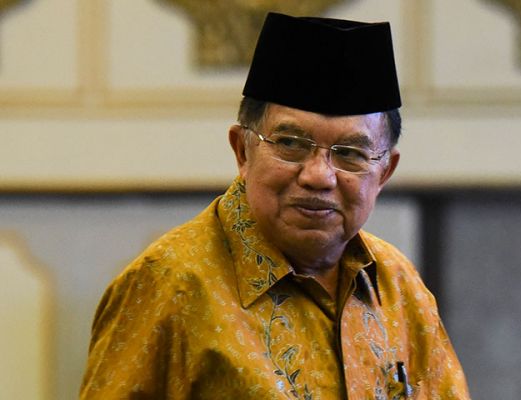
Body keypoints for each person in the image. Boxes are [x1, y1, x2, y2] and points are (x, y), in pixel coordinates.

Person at [80, 12, 470, 400]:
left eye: (350, 153)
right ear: (242, 151)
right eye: (291, 144)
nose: (319, 176)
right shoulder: (168, 286)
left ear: (384, 172)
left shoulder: (398, 285)